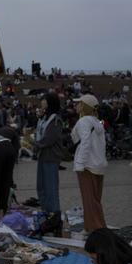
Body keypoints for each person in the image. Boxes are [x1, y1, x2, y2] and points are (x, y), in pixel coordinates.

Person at [71, 94, 108, 232]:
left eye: (79, 103)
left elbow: (85, 143)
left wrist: (80, 164)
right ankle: (99, 226)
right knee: (95, 200)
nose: (76, 106)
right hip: (98, 164)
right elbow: (102, 144)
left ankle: (95, 230)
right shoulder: (97, 121)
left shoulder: (83, 121)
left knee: (89, 200)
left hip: (87, 166)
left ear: (85, 106)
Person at [33, 93, 64, 226]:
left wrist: (35, 144)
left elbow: (50, 139)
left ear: (50, 102)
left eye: (44, 100)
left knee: (50, 187)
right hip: (42, 156)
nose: (42, 102)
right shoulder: (44, 117)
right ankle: (46, 212)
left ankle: (54, 215)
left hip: (50, 156)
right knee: (41, 186)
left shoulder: (55, 119)